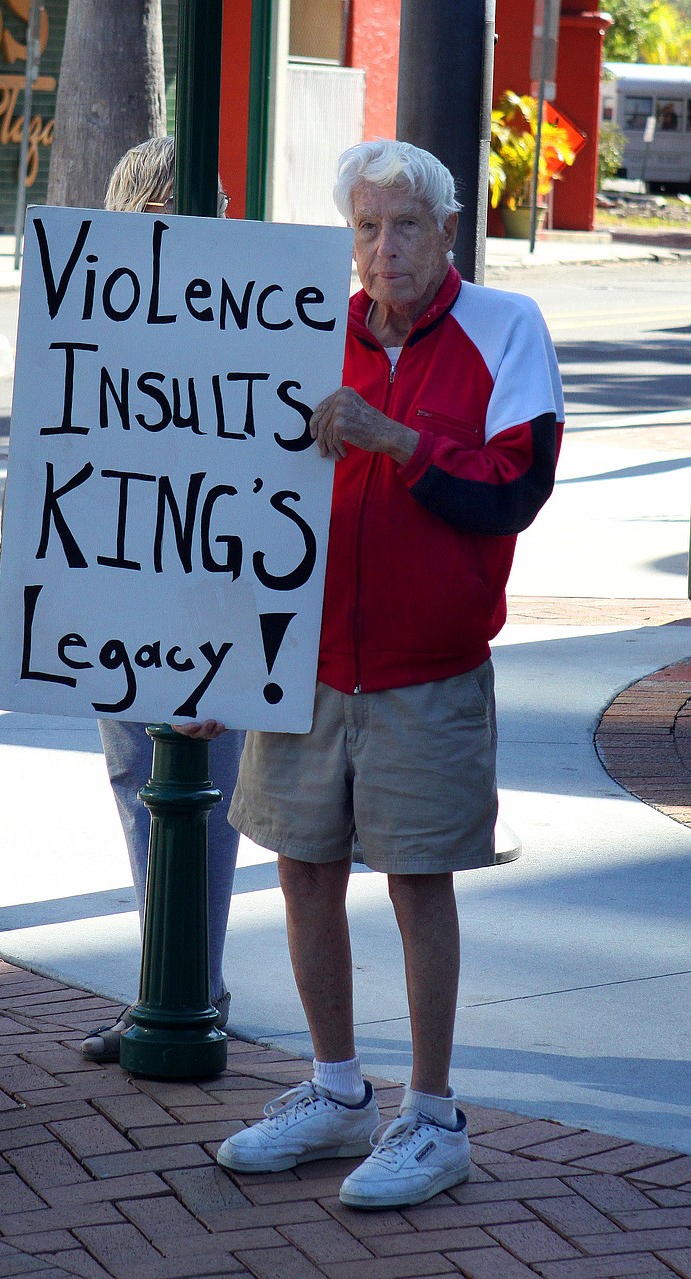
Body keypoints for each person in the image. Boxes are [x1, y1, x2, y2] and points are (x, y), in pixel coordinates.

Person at [215, 139, 564, 1209]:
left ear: (446, 232)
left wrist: (397, 442)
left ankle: (431, 1114)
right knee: (303, 866)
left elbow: (513, 491)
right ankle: (334, 1092)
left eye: (404, 225)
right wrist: (207, 664)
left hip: (429, 670)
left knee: (419, 883)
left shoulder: (506, 330)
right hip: (306, 664)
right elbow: (222, 496)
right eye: (365, 227)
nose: (383, 247)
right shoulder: (303, 331)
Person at [81, 137, 243, 1063]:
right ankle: (165, 981)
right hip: (115, 594)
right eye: (143, 224)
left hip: (213, 601)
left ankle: (192, 989)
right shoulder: (96, 316)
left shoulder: (257, 318)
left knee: (203, 798)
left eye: (179, 220)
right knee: (133, 782)